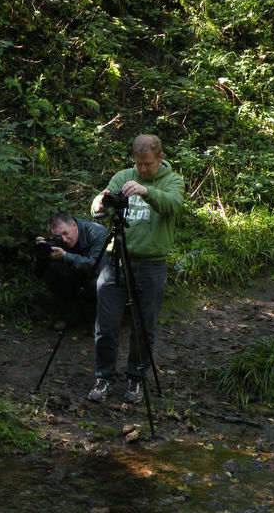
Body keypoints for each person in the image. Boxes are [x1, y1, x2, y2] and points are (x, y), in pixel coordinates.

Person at [88, 134, 184, 403]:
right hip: (115, 260)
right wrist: (99, 203)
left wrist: (146, 190)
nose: (142, 170)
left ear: (160, 158)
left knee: (144, 327)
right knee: (106, 324)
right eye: (138, 164)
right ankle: (103, 377)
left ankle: (135, 379)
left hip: (151, 264)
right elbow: (104, 201)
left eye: (148, 164)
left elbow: (172, 205)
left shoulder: (172, 181)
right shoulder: (123, 176)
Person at [34, 211, 107, 330]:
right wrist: (41, 253)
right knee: (50, 270)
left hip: (100, 276)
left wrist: (66, 256)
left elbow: (98, 267)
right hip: (76, 275)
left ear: (74, 225)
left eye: (66, 233)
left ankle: (100, 322)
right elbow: (38, 272)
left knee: (99, 283)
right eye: (59, 236)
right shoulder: (56, 240)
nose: (65, 239)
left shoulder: (96, 232)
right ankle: (70, 316)